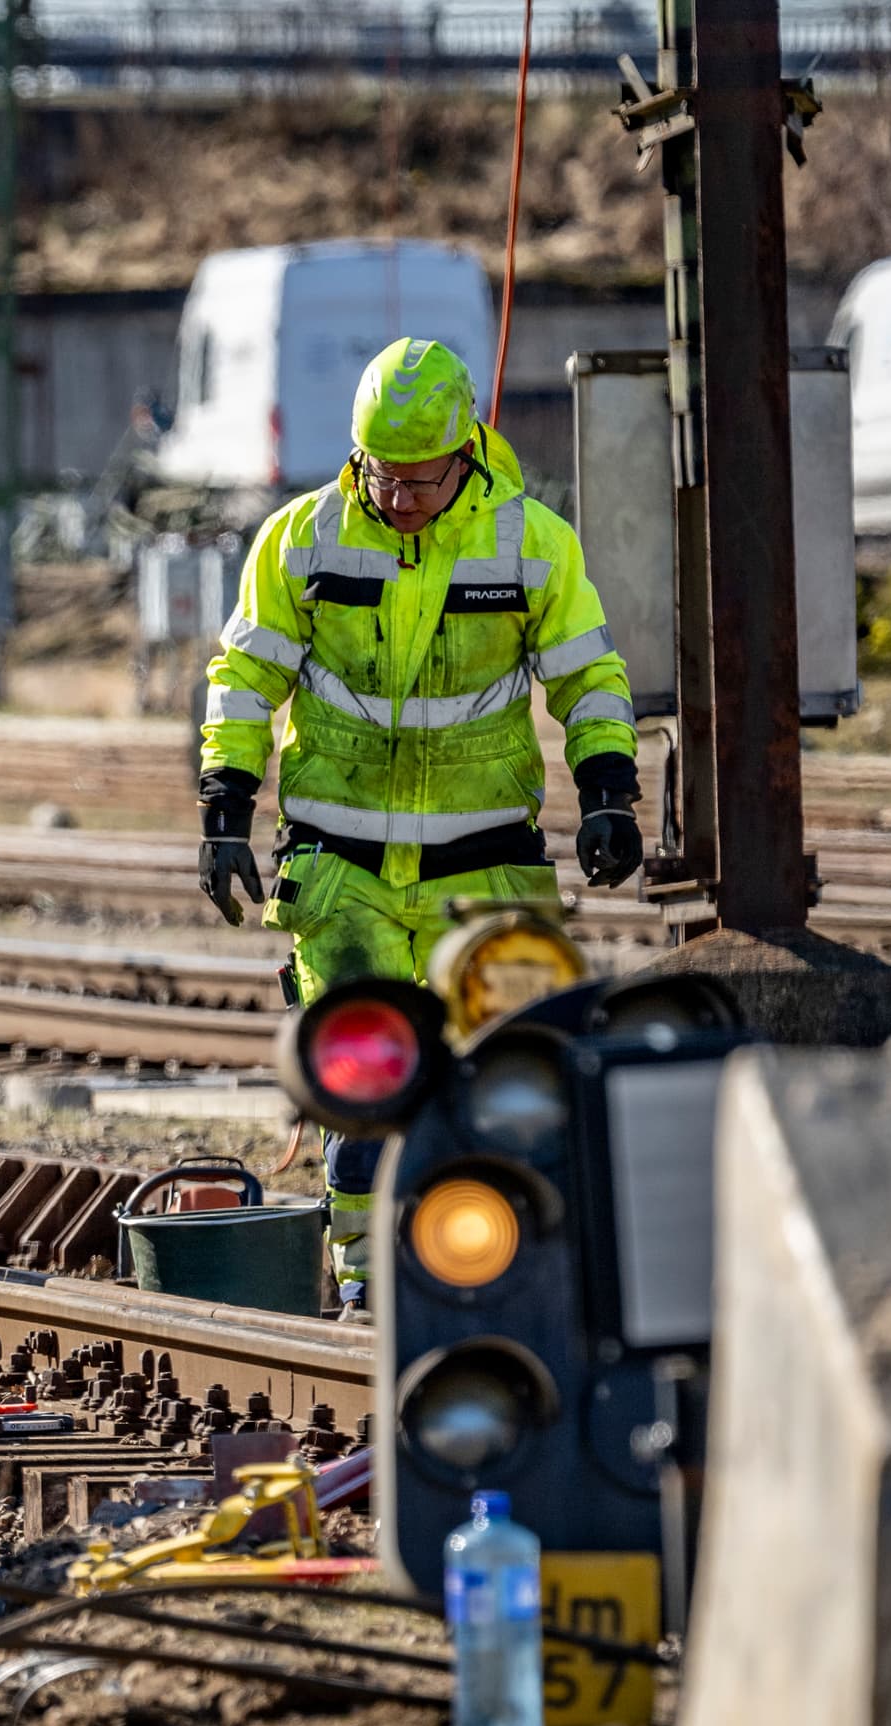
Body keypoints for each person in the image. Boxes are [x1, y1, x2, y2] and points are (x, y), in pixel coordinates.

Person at [196, 337, 641, 1295]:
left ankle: (506, 1278)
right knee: (360, 1090)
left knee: (506, 1087)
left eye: (419, 479)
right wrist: (224, 804)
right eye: (381, 474)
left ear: (467, 451)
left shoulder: (530, 543)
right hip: (343, 874)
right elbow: (243, 679)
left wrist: (609, 791)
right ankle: (367, 1286)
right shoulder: (302, 539)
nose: (398, 495)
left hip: (485, 875)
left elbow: (589, 676)